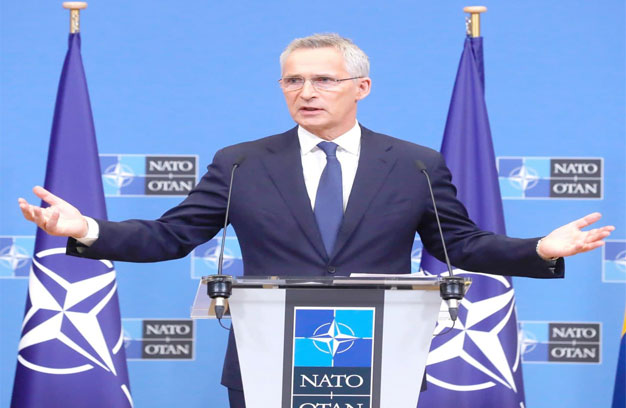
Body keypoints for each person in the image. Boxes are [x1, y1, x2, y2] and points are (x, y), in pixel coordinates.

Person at [18, 34, 614, 408]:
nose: (306, 91)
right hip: (266, 358)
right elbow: (170, 236)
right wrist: (85, 230)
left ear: (362, 87)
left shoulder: (414, 164)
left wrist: (540, 249)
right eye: (293, 80)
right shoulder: (241, 163)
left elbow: (460, 244)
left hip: (379, 354)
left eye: (324, 79)